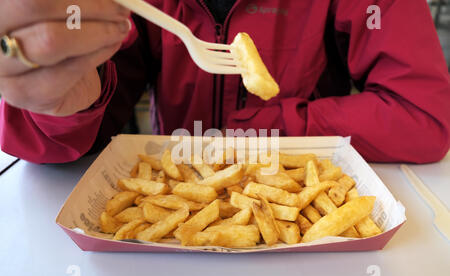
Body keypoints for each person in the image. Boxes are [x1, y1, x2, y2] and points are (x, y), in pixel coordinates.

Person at [0, 0, 449, 164]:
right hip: (167, 229)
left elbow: (423, 115)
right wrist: (60, 103)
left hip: (305, 227)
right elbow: (91, 108)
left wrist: (261, 127)